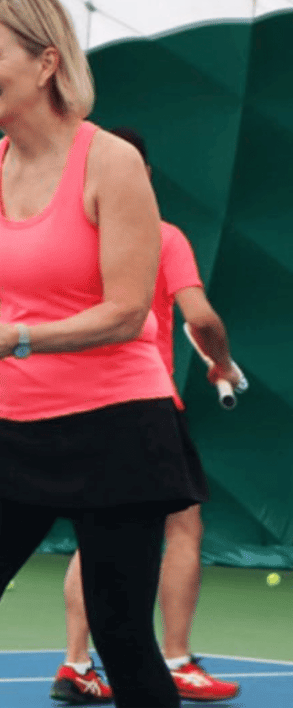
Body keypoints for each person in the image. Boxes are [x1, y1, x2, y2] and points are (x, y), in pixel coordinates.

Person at [0, 0, 208, 708]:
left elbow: (126, 316)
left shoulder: (111, 163)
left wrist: (18, 339)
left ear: (46, 62)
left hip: (121, 429)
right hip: (11, 436)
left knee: (122, 636)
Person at [50, 127, 243, 705]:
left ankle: (77, 664)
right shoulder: (161, 237)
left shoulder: (68, 238)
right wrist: (222, 363)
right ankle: (177, 659)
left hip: (72, 405)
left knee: (94, 532)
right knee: (183, 527)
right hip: (144, 404)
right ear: (145, 177)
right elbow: (201, 318)